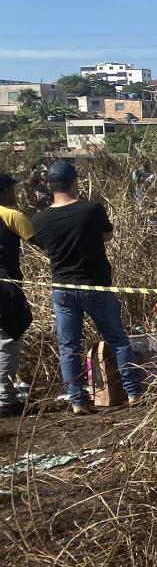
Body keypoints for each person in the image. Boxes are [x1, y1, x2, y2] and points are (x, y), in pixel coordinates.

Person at [31, 161, 144, 415]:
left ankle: (77, 401)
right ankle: (133, 393)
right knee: (118, 341)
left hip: (62, 289)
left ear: (50, 186)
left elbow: (43, 245)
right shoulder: (91, 209)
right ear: (74, 182)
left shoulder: (39, 219)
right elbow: (107, 235)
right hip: (96, 287)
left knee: (69, 347)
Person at [0, 173, 34, 414]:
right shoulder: (12, 216)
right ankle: (5, 400)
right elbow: (42, 242)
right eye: (12, 189)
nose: (15, 193)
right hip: (6, 286)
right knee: (9, 335)